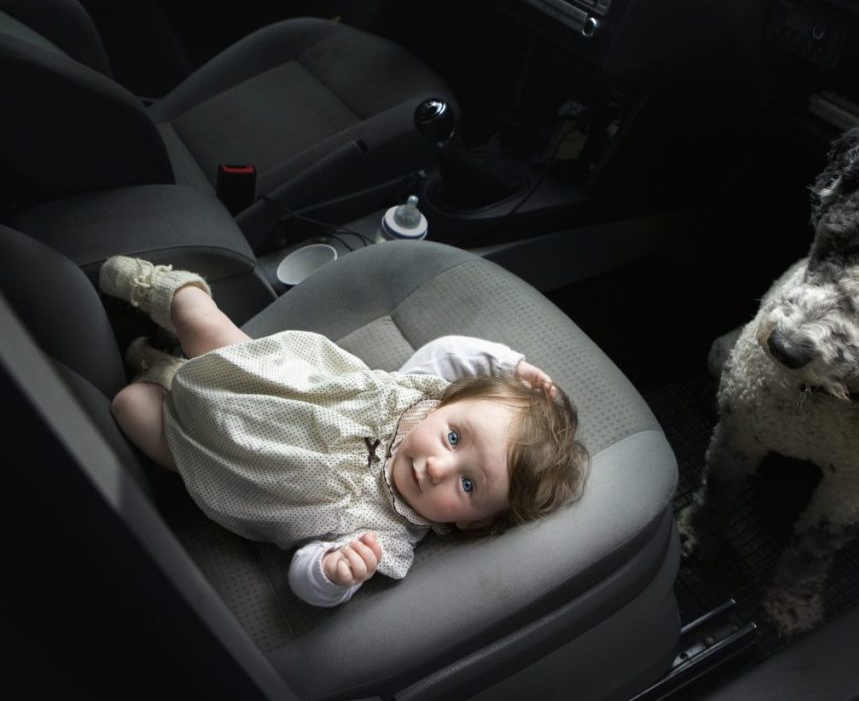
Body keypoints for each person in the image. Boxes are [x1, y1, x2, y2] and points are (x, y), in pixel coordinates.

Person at [100, 256, 589, 606]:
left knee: (130, 407)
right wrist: (510, 365)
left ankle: (163, 373)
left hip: (216, 464)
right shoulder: (416, 397)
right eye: (454, 438)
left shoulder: (385, 539)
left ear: (474, 523)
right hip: (256, 377)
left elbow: (307, 575)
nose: (440, 466)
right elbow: (447, 351)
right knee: (201, 322)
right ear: (446, 405)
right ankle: (168, 289)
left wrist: (334, 574)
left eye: (468, 484)